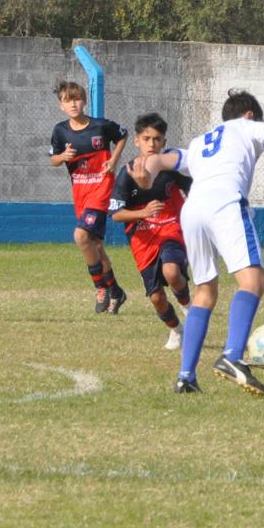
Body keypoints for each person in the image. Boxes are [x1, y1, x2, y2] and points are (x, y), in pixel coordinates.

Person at [131, 88, 264, 395]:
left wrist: (145, 177)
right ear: (250, 115)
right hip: (226, 204)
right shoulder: (248, 125)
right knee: (253, 281)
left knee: (205, 291)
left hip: (193, 210)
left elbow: (159, 160)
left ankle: (186, 376)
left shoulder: (202, 141)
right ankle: (232, 356)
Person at [110, 113, 193, 350]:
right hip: (142, 237)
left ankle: (188, 306)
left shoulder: (171, 168)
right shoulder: (126, 174)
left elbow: (194, 191)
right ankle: (176, 330)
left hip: (170, 227)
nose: (151, 144)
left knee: (171, 271)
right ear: (136, 141)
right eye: (146, 138)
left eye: (157, 139)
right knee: (156, 297)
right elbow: (116, 214)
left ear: (164, 143)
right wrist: (142, 213)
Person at [48, 81, 129, 314]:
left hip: (101, 189)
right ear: (61, 105)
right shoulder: (60, 131)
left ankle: (100, 288)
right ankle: (116, 291)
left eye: (76, 99)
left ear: (84, 101)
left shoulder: (100, 126)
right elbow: (53, 159)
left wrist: (113, 160)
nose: (73, 104)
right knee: (95, 246)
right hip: (80, 192)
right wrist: (62, 156)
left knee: (81, 236)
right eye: (67, 100)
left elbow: (122, 135)